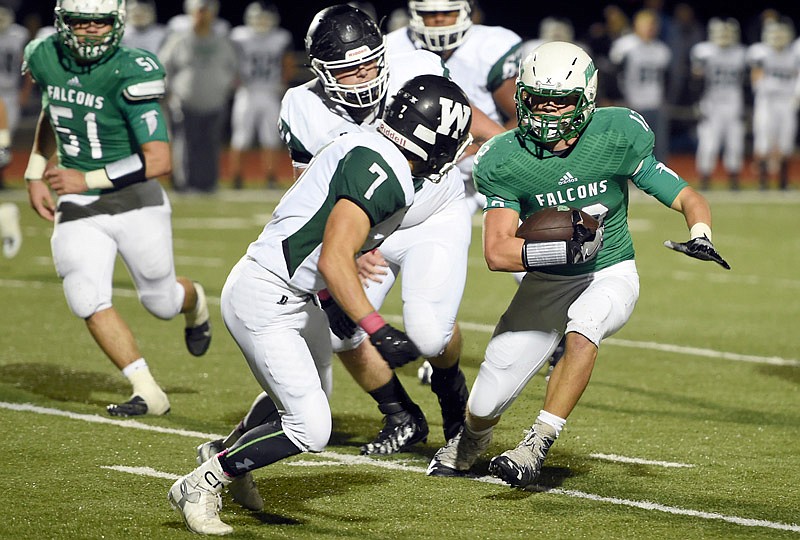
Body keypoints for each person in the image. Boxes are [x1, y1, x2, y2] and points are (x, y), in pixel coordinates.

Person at [168, 74, 473, 535]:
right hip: (267, 294)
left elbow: (316, 229)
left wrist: (333, 301)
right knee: (312, 428)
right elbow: (333, 255)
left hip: (293, 290)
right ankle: (201, 482)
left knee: (309, 399)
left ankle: (224, 454)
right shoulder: (386, 170)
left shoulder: (366, 142)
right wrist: (375, 327)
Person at [426, 41, 730, 488]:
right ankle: (472, 439)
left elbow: (686, 195)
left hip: (610, 271)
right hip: (547, 280)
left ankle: (537, 442)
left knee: (584, 326)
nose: (548, 110)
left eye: (561, 100)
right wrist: (561, 251)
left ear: (586, 98)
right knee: (486, 402)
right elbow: (497, 252)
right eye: (537, 98)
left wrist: (700, 232)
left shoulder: (615, 134)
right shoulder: (505, 158)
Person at [22, 0, 212, 417]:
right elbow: (55, 110)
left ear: (117, 23)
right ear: (62, 22)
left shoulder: (133, 68)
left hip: (134, 202)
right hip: (78, 204)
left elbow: (159, 160)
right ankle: (147, 390)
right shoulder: (44, 54)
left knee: (160, 302)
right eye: (79, 21)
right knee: (84, 295)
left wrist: (86, 179)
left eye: (99, 21)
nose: (90, 29)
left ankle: (193, 300)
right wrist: (36, 170)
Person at [387, 0, 522, 215]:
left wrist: (476, 148)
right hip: (421, 165)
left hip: (484, 159)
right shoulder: (394, 48)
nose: (439, 19)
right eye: (430, 14)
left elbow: (523, 114)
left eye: (447, 12)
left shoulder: (490, 46)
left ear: (466, 11)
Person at [158, 0, 238, 193]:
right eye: (199, 11)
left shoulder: (221, 41)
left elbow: (233, 67)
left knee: (211, 145)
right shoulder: (179, 40)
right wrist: (168, 92)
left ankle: (208, 183)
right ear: (191, 13)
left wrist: (224, 89)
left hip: (215, 101)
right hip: (185, 102)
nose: (202, 16)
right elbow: (164, 66)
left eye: (206, 12)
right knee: (185, 145)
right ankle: (185, 184)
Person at [228, 1, 293, 189]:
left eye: (266, 19)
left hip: (270, 91)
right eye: (259, 18)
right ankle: (236, 177)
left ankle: (270, 176)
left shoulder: (281, 37)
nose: (262, 22)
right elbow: (231, 61)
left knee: (271, 136)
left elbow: (287, 63)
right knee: (241, 136)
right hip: (247, 92)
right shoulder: (239, 36)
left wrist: (283, 82)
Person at [690, 18, 747, 190]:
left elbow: (747, 84)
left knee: (735, 144)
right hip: (711, 104)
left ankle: (734, 179)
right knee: (708, 143)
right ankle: (705, 178)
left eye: (727, 33)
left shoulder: (741, 53)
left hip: (734, 104)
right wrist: (697, 102)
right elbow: (695, 82)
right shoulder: (703, 51)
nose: (724, 37)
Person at [609, 9, 672, 163]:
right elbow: (613, 75)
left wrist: (666, 100)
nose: (650, 28)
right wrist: (617, 98)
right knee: (628, 146)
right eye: (646, 24)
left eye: (652, 24)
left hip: (655, 104)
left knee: (658, 147)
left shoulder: (662, 50)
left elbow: (668, 79)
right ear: (636, 25)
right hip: (631, 104)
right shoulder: (624, 46)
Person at [746, 17, 800, 190]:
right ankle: (763, 181)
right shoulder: (761, 52)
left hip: (786, 102)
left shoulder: (794, 53)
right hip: (767, 102)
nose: (778, 39)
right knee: (763, 140)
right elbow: (756, 80)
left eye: (781, 35)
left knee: (786, 141)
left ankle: (783, 181)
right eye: (775, 35)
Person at [0, 4, 28, 188]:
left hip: (10, 93)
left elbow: (27, 64)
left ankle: (1, 177)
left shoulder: (20, 35)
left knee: (5, 138)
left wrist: (24, 91)